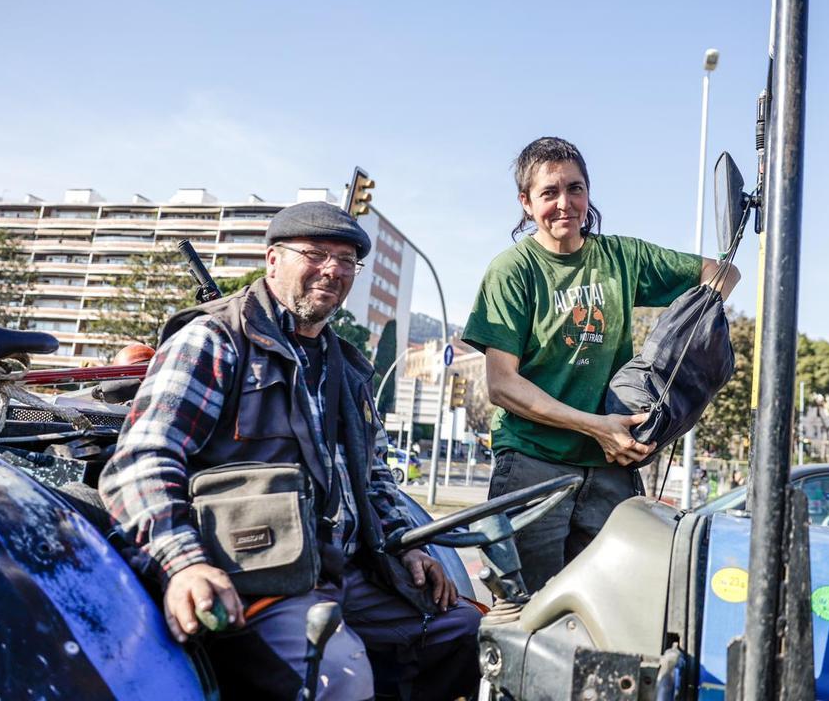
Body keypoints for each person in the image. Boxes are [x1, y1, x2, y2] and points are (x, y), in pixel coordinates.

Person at [99, 202, 480, 701]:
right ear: (273, 259)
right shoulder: (215, 339)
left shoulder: (345, 366)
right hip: (252, 575)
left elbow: (372, 476)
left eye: (346, 261)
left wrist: (404, 542)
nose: (332, 270)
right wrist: (186, 563)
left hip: (344, 569)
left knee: (468, 632)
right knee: (340, 680)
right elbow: (141, 461)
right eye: (316, 254)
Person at [462, 136, 739, 592]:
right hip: (534, 466)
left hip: (612, 469)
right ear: (526, 203)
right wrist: (595, 425)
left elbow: (722, 274)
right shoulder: (513, 270)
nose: (564, 203)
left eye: (575, 188)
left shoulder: (622, 258)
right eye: (549, 193)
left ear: (588, 192)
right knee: (526, 616)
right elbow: (502, 385)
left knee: (609, 614)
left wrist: (670, 353)